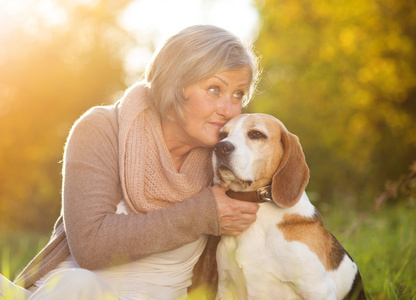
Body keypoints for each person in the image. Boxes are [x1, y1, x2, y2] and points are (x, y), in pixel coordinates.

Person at [1, 24, 261, 299]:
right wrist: (202, 214)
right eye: (214, 89)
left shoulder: (228, 160)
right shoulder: (103, 130)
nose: (230, 110)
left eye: (238, 95)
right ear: (174, 85)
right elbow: (91, 245)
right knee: (80, 285)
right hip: (70, 292)